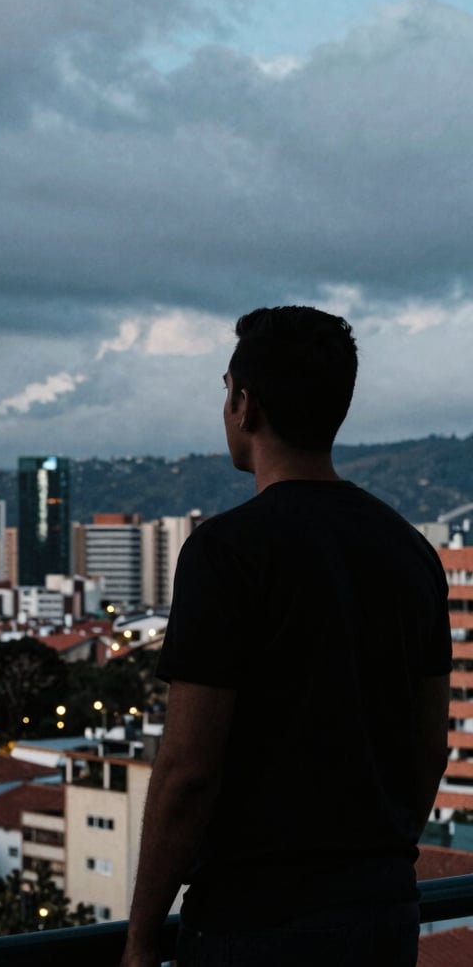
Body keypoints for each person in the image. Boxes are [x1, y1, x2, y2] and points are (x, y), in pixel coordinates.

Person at [120, 305, 451, 967]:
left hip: (255, 921)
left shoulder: (226, 552)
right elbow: (428, 747)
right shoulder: (411, 551)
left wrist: (139, 937)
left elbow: (188, 772)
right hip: (382, 914)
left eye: (226, 389)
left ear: (246, 405)